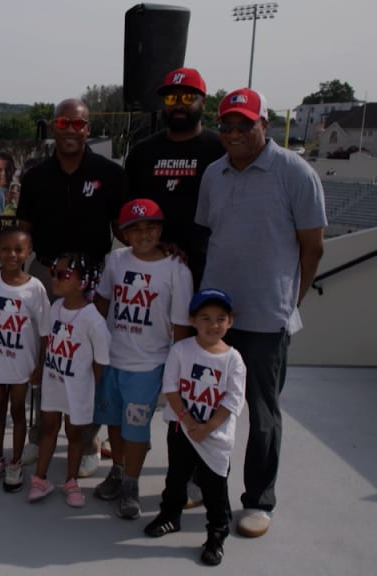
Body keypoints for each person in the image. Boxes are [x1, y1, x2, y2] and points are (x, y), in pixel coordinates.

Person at [196, 88, 326, 538]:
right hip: (217, 316)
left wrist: (291, 301)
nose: (233, 134)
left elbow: (313, 249)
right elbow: (213, 233)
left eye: (244, 125)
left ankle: (258, 499)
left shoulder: (296, 172)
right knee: (210, 403)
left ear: (264, 125)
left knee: (262, 411)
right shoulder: (214, 173)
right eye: (226, 126)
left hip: (267, 319)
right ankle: (207, 482)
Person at [15, 98, 124, 473]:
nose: (72, 130)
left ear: (88, 130)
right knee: (47, 356)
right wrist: (11, 273)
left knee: (88, 359)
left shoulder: (109, 174)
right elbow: (23, 234)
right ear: (55, 127)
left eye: (79, 124)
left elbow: (124, 232)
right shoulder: (34, 177)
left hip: (93, 279)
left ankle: (89, 438)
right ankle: (37, 434)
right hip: (49, 277)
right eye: (65, 122)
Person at [92, 198, 194, 519]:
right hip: (111, 359)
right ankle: (119, 471)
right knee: (115, 424)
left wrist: (176, 373)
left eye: (150, 227)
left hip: (147, 366)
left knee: (136, 430)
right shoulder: (116, 260)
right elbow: (102, 304)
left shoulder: (177, 270)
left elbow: (180, 326)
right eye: (134, 229)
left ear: (161, 229)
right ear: (123, 233)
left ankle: (132, 483)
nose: (143, 234)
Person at [144, 288, 246, 567]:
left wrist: (208, 427)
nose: (213, 325)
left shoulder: (233, 360)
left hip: (215, 436)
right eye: (205, 318)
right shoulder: (180, 350)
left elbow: (232, 400)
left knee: (215, 487)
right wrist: (188, 422)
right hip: (181, 430)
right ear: (192, 321)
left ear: (230, 322)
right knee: (176, 477)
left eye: (220, 318)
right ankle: (169, 517)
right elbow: (172, 388)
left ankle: (216, 533)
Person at [124, 67, 225, 289]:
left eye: (188, 97)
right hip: (152, 271)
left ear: (204, 102)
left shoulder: (221, 150)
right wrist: (154, 247)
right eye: (171, 98)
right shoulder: (142, 153)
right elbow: (125, 217)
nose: (178, 105)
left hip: (209, 272)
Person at [0, 227, 51, 492]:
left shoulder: (35, 288)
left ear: (28, 252)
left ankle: (16, 462)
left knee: (18, 412)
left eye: (18, 249)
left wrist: (40, 364)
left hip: (21, 367)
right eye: (5, 249)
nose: (12, 255)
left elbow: (44, 331)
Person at [27, 253, 110, 507]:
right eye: (53, 272)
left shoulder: (93, 319)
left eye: (63, 275)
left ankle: (71, 481)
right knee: (49, 429)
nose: (55, 279)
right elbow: (47, 343)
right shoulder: (54, 308)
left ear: (83, 282)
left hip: (78, 390)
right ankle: (40, 478)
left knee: (75, 436)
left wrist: (90, 387)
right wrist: (41, 368)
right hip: (54, 385)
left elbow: (101, 360)